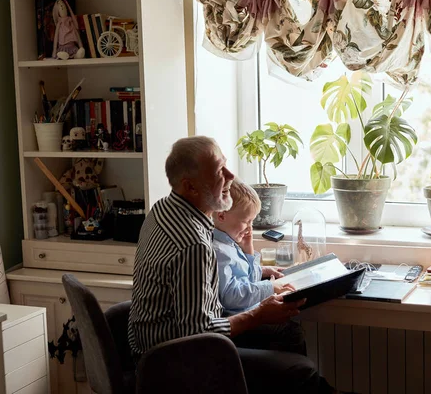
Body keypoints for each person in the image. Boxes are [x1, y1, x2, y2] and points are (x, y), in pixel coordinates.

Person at [128, 136, 335, 394]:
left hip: (153, 345)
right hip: (171, 363)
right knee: (299, 371)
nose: (230, 174)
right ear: (190, 187)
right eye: (219, 171)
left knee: (285, 331)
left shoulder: (161, 209)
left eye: (225, 165)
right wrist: (257, 314)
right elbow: (198, 333)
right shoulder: (194, 245)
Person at [213, 178, 305, 355]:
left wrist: (250, 253)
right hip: (236, 322)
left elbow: (245, 278)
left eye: (252, 222)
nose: (249, 228)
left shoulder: (230, 243)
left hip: (247, 310)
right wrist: (270, 287)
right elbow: (231, 296)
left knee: (291, 327)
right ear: (221, 216)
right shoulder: (219, 252)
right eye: (246, 221)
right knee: (290, 331)